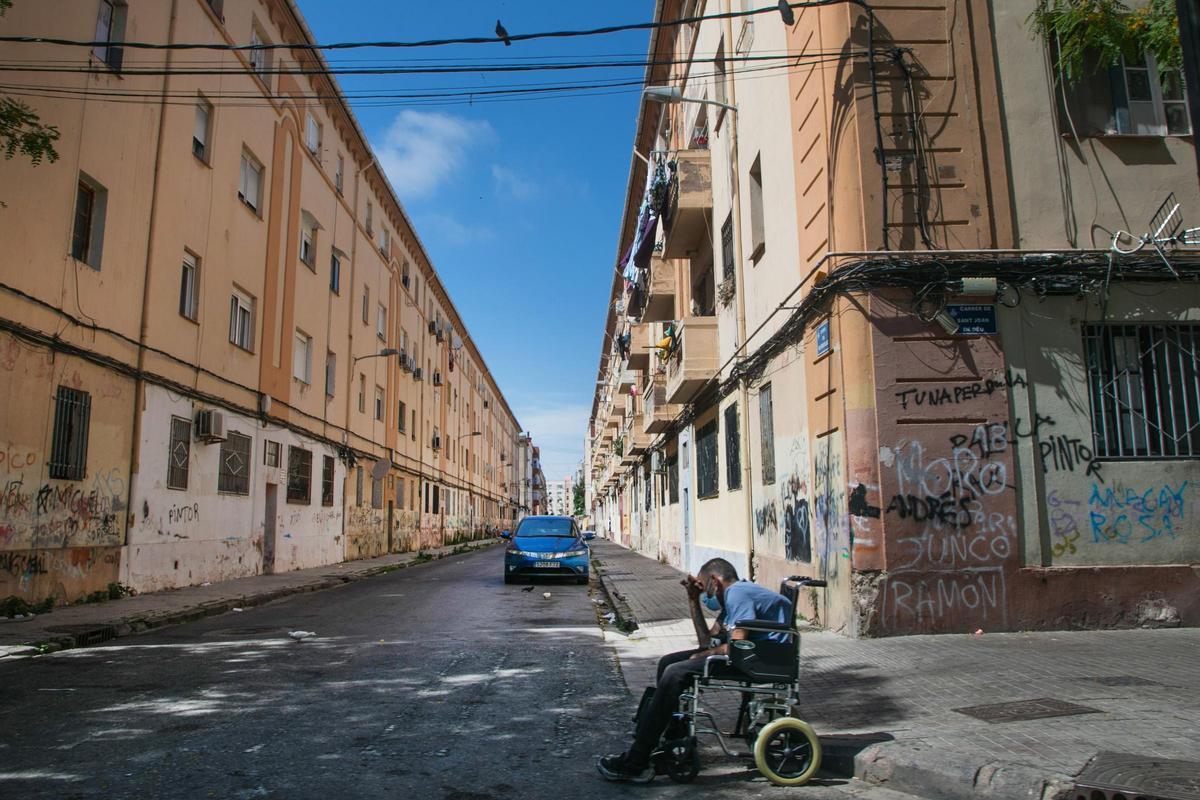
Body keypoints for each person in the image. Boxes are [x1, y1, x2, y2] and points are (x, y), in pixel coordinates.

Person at [596, 558, 792, 783]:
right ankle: (672, 742)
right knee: (667, 663)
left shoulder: (739, 594)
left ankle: (636, 761)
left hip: (762, 659)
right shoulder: (731, 599)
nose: (704, 592)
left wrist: (705, 654)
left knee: (675, 673)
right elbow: (706, 640)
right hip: (753, 655)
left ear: (714, 583)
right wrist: (693, 600)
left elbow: (738, 645)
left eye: (702, 586)